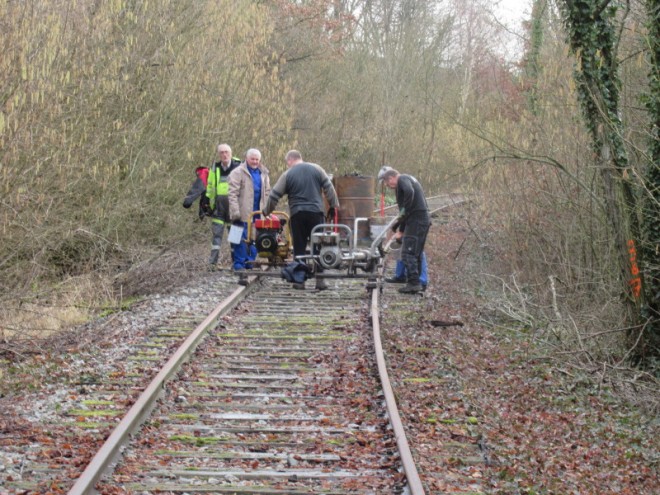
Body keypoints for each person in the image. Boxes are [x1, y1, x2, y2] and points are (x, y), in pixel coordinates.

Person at [263, 150, 339, 291]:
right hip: (316, 214)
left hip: (297, 214)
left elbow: (274, 195)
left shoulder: (288, 174)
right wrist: (334, 206)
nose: (288, 165)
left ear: (290, 160)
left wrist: (266, 211)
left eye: (287, 163)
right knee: (318, 246)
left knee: (299, 247)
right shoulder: (317, 169)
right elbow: (329, 187)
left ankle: (299, 281)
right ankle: (320, 280)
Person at [378, 166, 430, 294]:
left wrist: (404, 210)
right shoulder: (407, 180)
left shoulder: (403, 179)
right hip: (420, 220)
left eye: (386, 182)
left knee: (408, 253)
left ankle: (413, 283)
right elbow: (405, 213)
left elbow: (409, 192)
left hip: (417, 220)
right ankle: (417, 283)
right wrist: (399, 227)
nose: (387, 185)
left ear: (391, 178)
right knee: (415, 253)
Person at [227, 148, 271, 276]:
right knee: (237, 238)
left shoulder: (264, 173)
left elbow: (267, 192)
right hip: (241, 212)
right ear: (247, 158)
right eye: (252, 159)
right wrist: (235, 211)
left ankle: (249, 262)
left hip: (258, 213)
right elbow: (232, 194)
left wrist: (267, 211)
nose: (255, 162)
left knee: (256, 238)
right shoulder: (237, 172)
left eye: (257, 159)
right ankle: (238, 264)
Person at [204, 144, 241, 269]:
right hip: (218, 208)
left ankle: (236, 263)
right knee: (216, 236)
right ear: (219, 154)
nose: (224, 155)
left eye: (226, 152)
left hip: (234, 208)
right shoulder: (215, 168)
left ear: (231, 153)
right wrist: (207, 201)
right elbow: (210, 186)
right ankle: (212, 264)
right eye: (222, 153)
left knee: (235, 236)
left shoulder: (239, 166)